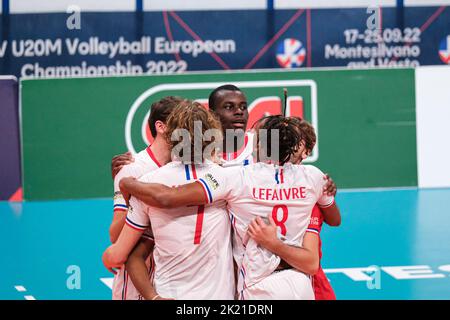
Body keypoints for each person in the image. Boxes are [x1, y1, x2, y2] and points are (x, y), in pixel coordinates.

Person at [117, 115, 341, 299]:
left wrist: (128, 183)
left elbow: (168, 197)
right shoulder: (314, 176)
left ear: (262, 144)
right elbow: (334, 218)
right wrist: (328, 190)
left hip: (260, 285)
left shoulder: (236, 177)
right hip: (300, 282)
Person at [103, 101, 235, 300]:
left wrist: (128, 187)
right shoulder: (229, 178)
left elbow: (119, 254)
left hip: (167, 291)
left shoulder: (145, 184)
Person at [109, 96, 184, 300]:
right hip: (136, 279)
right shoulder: (132, 170)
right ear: (161, 126)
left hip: (174, 277)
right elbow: (116, 235)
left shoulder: (188, 169)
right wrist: (137, 204)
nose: (189, 128)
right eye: (182, 121)